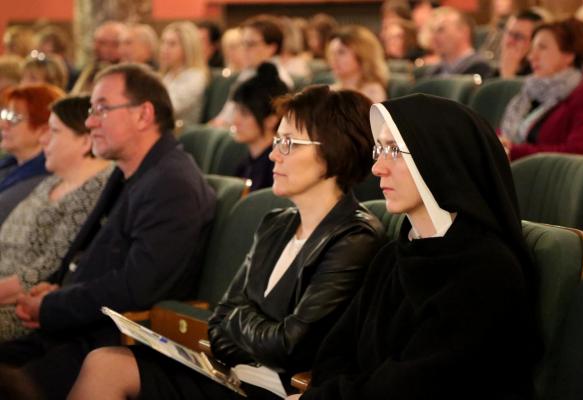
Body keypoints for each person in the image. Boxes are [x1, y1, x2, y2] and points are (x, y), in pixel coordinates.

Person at [67, 84, 385, 400]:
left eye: (288, 143)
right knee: (105, 362)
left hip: (276, 391)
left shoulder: (353, 236)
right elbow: (219, 321)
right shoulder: (276, 223)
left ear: (335, 150)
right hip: (227, 374)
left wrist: (240, 320)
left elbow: (291, 347)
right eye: (277, 141)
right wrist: (250, 325)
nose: (274, 154)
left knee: (107, 367)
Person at [288, 93, 537, 399]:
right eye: (379, 149)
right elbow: (333, 354)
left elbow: (418, 386)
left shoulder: (487, 273)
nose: (378, 167)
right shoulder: (392, 257)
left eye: (393, 150)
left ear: (436, 157)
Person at [0, 63, 216, 400]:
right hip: (74, 329)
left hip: (104, 341)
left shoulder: (172, 184)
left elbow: (136, 288)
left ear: (144, 114)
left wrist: (52, 304)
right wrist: (56, 286)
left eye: (101, 109)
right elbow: (94, 255)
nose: (89, 122)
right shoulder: (134, 172)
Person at [0, 95, 112, 341]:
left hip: (21, 308)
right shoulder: (53, 180)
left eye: (54, 131)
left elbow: (50, 265)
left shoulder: (95, 189)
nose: (43, 139)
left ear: (84, 141)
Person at [499, 18, 583, 160]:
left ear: (568, 55)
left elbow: (577, 152)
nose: (531, 57)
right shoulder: (531, 90)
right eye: (532, 49)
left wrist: (511, 151)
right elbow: (509, 133)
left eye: (542, 47)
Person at [211, 15, 294, 128]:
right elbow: (226, 116)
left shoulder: (279, 82)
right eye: (242, 44)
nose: (244, 50)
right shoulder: (248, 73)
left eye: (250, 44)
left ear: (271, 48)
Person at [0, 83, 65, 225]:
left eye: (14, 118)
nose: (3, 124)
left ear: (44, 128)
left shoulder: (42, 180)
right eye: (5, 115)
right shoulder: (9, 165)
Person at [231, 62, 289, 191]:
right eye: (236, 111)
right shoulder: (245, 164)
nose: (235, 121)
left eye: (245, 114)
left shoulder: (277, 170)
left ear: (271, 120)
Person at [159, 21, 209, 126]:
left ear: (187, 48)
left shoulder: (195, 77)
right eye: (163, 42)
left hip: (182, 135)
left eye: (172, 44)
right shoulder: (169, 75)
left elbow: (168, 109)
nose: (164, 48)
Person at [423, 7, 495, 79]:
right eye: (432, 31)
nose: (434, 37)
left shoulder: (479, 68)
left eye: (441, 30)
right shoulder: (433, 72)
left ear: (463, 31)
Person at [327, 25, 389, 103]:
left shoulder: (373, 93)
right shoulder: (329, 92)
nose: (334, 59)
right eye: (331, 53)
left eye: (341, 52)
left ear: (362, 54)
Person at [71, 21, 125, 94]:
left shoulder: (129, 76)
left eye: (114, 44)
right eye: (101, 43)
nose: (106, 49)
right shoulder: (82, 72)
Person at [494, 9, 544, 78]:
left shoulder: (537, 74)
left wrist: (507, 75)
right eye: (508, 33)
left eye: (518, 36)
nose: (510, 41)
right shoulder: (495, 69)